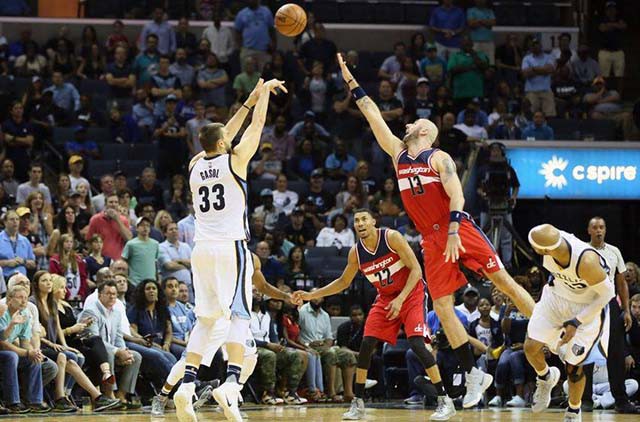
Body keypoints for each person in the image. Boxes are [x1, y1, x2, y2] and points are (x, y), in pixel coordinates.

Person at [337, 53, 535, 409]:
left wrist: (456, 228)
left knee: (503, 282)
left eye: (415, 122)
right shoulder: (398, 154)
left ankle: (544, 325)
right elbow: (371, 113)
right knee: (443, 306)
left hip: (456, 227)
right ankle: (475, 372)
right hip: (431, 238)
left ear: (425, 132)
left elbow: (456, 192)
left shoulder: (438, 157)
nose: (408, 123)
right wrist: (351, 80)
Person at [173, 78, 285, 422]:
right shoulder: (235, 162)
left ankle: (186, 386)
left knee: (206, 320)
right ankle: (232, 381)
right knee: (239, 315)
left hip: (200, 249)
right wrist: (263, 97)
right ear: (224, 143)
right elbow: (257, 127)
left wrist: (249, 99)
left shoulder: (194, 164)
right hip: (230, 248)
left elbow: (224, 133)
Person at [294, 208, 455, 420]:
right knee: (367, 343)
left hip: (412, 292)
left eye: (364, 219)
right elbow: (343, 282)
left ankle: (445, 400)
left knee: (416, 343)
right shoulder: (356, 252)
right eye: (357, 220)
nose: (360, 223)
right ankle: (358, 402)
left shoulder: (392, 238)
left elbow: (416, 270)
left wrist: (400, 299)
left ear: (373, 222)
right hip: (386, 297)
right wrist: (311, 294)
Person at [151, 252, 296, 416]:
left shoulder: (251, 257)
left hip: (237, 317)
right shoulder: (216, 250)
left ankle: (230, 393)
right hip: (216, 315)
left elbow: (262, 285)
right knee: (188, 362)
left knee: (250, 357)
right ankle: (162, 396)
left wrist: (286, 296)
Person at [524, 224, 614, 422]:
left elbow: (607, 294)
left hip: (586, 306)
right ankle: (546, 377)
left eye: (535, 247)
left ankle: (574, 410)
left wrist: (576, 321)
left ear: (546, 250)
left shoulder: (586, 261)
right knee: (530, 347)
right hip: (555, 297)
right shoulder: (552, 239)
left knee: (573, 368)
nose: (534, 249)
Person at [584, 216, 638, 413]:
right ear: (589, 230)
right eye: (595, 227)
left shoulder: (614, 251)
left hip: (609, 305)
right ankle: (585, 399)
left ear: (605, 230)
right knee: (586, 352)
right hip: (587, 305)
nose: (599, 230)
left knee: (615, 353)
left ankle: (621, 400)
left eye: (602, 227)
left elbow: (621, 282)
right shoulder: (582, 250)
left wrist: (625, 310)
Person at [78, 281, 142, 408]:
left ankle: (121, 395)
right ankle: (109, 394)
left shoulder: (116, 313)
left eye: (114, 294)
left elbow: (118, 337)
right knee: (108, 353)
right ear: (100, 295)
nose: (112, 296)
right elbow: (94, 341)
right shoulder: (91, 312)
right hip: (93, 352)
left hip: (112, 349)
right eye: (108, 293)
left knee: (136, 356)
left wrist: (124, 351)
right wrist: (118, 352)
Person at [476, 142, 520, 268]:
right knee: (485, 236)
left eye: (497, 150)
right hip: (487, 206)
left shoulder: (508, 169)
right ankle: (488, 262)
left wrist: (513, 197)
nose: (495, 153)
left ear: (502, 152)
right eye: (493, 150)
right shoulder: (483, 169)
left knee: (506, 235)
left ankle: (507, 263)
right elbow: (478, 187)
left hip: (505, 206)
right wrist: (483, 194)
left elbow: (516, 185)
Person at [86, 193, 132, 260]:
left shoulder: (123, 220)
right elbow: (89, 240)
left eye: (116, 202)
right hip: (100, 260)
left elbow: (129, 239)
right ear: (105, 204)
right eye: (111, 202)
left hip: (118, 260)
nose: (113, 204)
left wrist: (117, 220)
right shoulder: (95, 219)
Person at [522, 39, 556, 117]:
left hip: (546, 90)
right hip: (531, 91)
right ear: (531, 47)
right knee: (530, 115)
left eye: (537, 44)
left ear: (541, 46)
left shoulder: (549, 57)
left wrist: (533, 69)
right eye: (533, 45)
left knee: (550, 115)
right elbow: (525, 74)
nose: (536, 47)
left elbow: (550, 70)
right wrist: (543, 70)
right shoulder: (527, 58)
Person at [121, 217, 159, 288]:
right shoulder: (131, 244)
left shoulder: (155, 244)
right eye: (142, 225)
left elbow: (155, 262)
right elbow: (123, 261)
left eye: (147, 225)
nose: (145, 228)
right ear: (137, 228)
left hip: (151, 282)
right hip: (135, 283)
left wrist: (158, 278)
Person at [0, 210, 36, 280]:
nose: (15, 221)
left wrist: (24, 261)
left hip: (22, 279)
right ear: (5, 222)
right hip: (4, 279)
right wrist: (7, 263)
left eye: (17, 219)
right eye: (12, 219)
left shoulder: (25, 240)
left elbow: (33, 264)